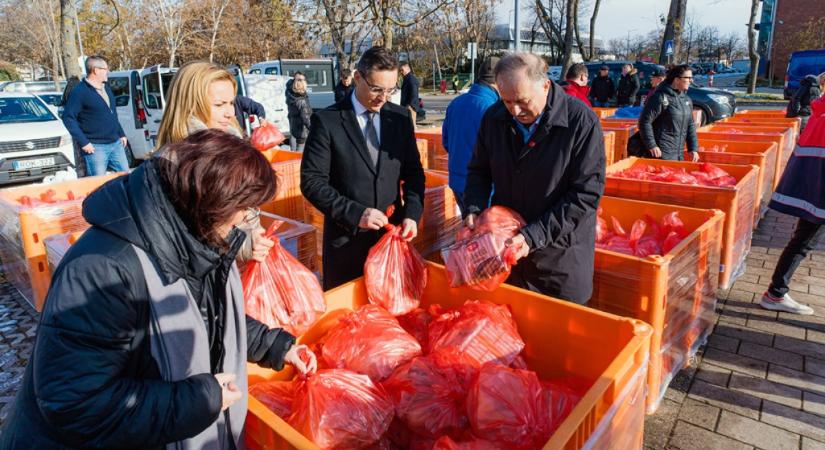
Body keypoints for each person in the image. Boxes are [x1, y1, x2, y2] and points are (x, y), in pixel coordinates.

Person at [0, 130, 317, 450]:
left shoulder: (201, 240)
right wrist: (200, 399)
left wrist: (276, 346)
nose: (247, 221)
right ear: (213, 205)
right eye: (246, 209)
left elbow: (211, 318)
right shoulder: (103, 269)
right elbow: (76, 403)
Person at [462, 52, 605, 304]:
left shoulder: (581, 122)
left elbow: (585, 195)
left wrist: (532, 236)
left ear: (546, 85)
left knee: (557, 335)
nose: (515, 110)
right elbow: (479, 171)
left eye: (522, 100)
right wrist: (473, 206)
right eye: (507, 101)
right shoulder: (494, 118)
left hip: (560, 259)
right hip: (508, 255)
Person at [301, 46, 426, 290]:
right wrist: (356, 213)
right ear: (358, 78)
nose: (383, 97)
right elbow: (312, 182)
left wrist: (412, 214)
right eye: (377, 89)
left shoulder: (400, 118)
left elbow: (413, 174)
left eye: (390, 90)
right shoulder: (327, 121)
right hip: (347, 244)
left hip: (392, 240)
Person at [156, 61, 273, 263]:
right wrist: (242, 245)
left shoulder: (232, 145)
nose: (230, 113)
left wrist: (255, 233)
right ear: (189, 105)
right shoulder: (174, 162)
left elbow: (243, 209)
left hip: (234, 272)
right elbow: (194, 234)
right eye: (219, 105)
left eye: (231, 103)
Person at [761, 96, 825, 315]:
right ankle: (776, 292)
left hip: (811, 188)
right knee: (803, 241)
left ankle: (776, 291)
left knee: (802, 240)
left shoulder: (820, 108)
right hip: (818, 191)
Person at [441, 56, 500, 212]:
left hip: (457, 180)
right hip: (484, 187)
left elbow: (446, 141)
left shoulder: (455, 103)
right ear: (499, 81)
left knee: (469, 227)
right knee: (484, 233)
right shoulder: (495, 108)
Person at [62, 55, 129, 176]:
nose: (108, 72)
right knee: (98, 184)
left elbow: (111, 114)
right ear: (96, 70)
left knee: (126, 178)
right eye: (106, 69)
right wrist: (84, 142)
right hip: (96, 147)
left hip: (116, 144)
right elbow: (68, 118)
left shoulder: (106, 88)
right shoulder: (80, 92)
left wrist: (121, 133)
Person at [637, 64, 700, 162]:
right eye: (688, 78)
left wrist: (693, 148)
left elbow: (690, 125)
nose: (691, 80)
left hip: (678, 153)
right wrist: (652, 145)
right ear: (677, 79)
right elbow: (644, 121)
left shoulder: (686, 100)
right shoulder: (660, 97)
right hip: (662, 152)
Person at [288, 78, 312, 151]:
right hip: (302, 130)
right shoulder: (302, 101)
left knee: (296, 149)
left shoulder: (292, 97)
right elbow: (305, 118)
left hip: (294, 127)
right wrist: (313, 128)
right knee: (301, 151)